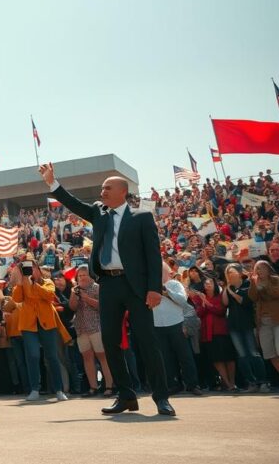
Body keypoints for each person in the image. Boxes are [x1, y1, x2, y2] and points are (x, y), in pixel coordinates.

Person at [39, 163, 174, 416]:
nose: (102, 192)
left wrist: (154, 288)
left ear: (123, 192)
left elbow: (153, 255)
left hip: (136, 286)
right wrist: (52, 183)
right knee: (110, 342)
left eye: (107, 188)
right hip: (108, 285)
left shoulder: (141, 216)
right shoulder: (98, 213)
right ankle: (126, 396)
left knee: (147, 342)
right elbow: (73, 203)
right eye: (102, 188)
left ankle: (161, 398)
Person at [11, 260, 70, 402]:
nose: (30, 271)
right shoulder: (21, 284)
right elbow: (16, 298)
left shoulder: (48, 281)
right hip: (28, 325)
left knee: (51, 356)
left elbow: (49, 295)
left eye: (33, 268)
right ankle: (34, 389)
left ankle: (59, 390)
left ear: (38, 269)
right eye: (26, 269)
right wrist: (21, 282)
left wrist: (32, 284)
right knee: (33, 356)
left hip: (47, 323)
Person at [152, 262, 201, 395]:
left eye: (160, 271)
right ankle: (174, 384)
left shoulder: (175, 284)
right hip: (158, 325)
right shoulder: (150, 287)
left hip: (176, 324)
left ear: (168, 273)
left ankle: (192, 384)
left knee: (185, 356)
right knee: (166, 358)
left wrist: (166, 292)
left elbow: (182, 300)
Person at [68, 266, 114, 396]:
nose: (82, 277)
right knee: (87, 358)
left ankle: (109, 386)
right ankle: (93, 387)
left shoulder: (97, 288)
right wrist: (74, 294)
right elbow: (72, 307)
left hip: (96, 326)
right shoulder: (75, 290)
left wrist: (86, 298)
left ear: (91, 276)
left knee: (102, 357)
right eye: (79, 276)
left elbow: (103, 306)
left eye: (84, 275)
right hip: (81, 328)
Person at [221, 264, 269, 392]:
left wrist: (232, 292)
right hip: (234, 326)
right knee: (242, 355)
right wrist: (227, 287)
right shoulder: (229, 287)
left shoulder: (247, 284)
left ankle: (263, 381)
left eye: (232, 272)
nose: (230, 275)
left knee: (253, 353)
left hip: (247, 324)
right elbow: (225, 303)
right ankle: (251, 382)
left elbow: (244, 301)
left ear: (239, 272)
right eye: (228, 273)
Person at [192, 276, 238, 391]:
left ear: (215, 285)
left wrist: (206, 302)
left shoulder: (220, 297)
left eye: (210, 283)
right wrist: (203, 301)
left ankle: (232, 382)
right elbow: (199, 313)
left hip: (222, 331)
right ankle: (228, 384)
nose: (207, 285)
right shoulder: (200, 298)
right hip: (208, 333)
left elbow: (220, 311)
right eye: (206, 283)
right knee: (217, 359)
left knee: (229, 358)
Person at [248, 259, 279, 379]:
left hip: (278, 320)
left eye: (261, 268)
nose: (259, 271)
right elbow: (253, 297)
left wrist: (264, 287)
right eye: (257, 269)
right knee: (270, 354)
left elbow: (277, 294)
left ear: (267, 269)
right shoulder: (256, 282)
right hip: (263, 322)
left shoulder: (276, 280)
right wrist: (253, 283)